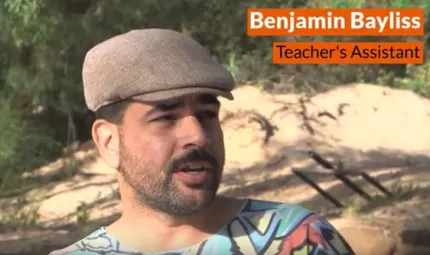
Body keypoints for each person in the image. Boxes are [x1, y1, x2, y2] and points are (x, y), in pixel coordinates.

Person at [49, 28, 355, 255]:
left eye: (207, 114)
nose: (198, 136)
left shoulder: (298, 238)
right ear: (109, 141)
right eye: (165, 118)